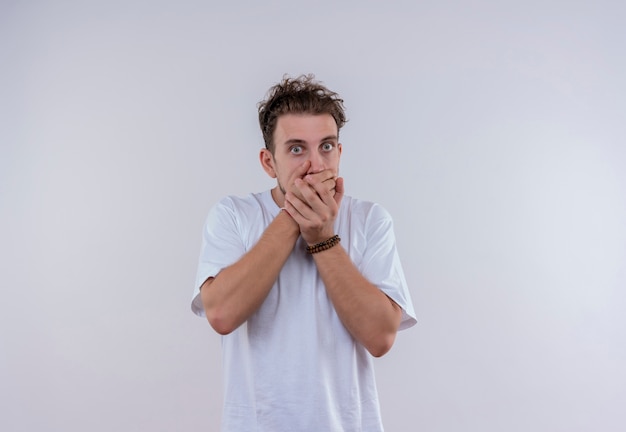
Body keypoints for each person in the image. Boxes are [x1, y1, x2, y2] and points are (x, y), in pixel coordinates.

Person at [191, 74, 416, 431]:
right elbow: (221, 314)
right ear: (269, 163)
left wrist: (323, 238)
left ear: (339, 153)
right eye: (297, 149)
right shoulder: (233, 215)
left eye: (326, 146)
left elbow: (380, 337)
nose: (315, 165)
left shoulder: (371, 220)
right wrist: (294, 219)